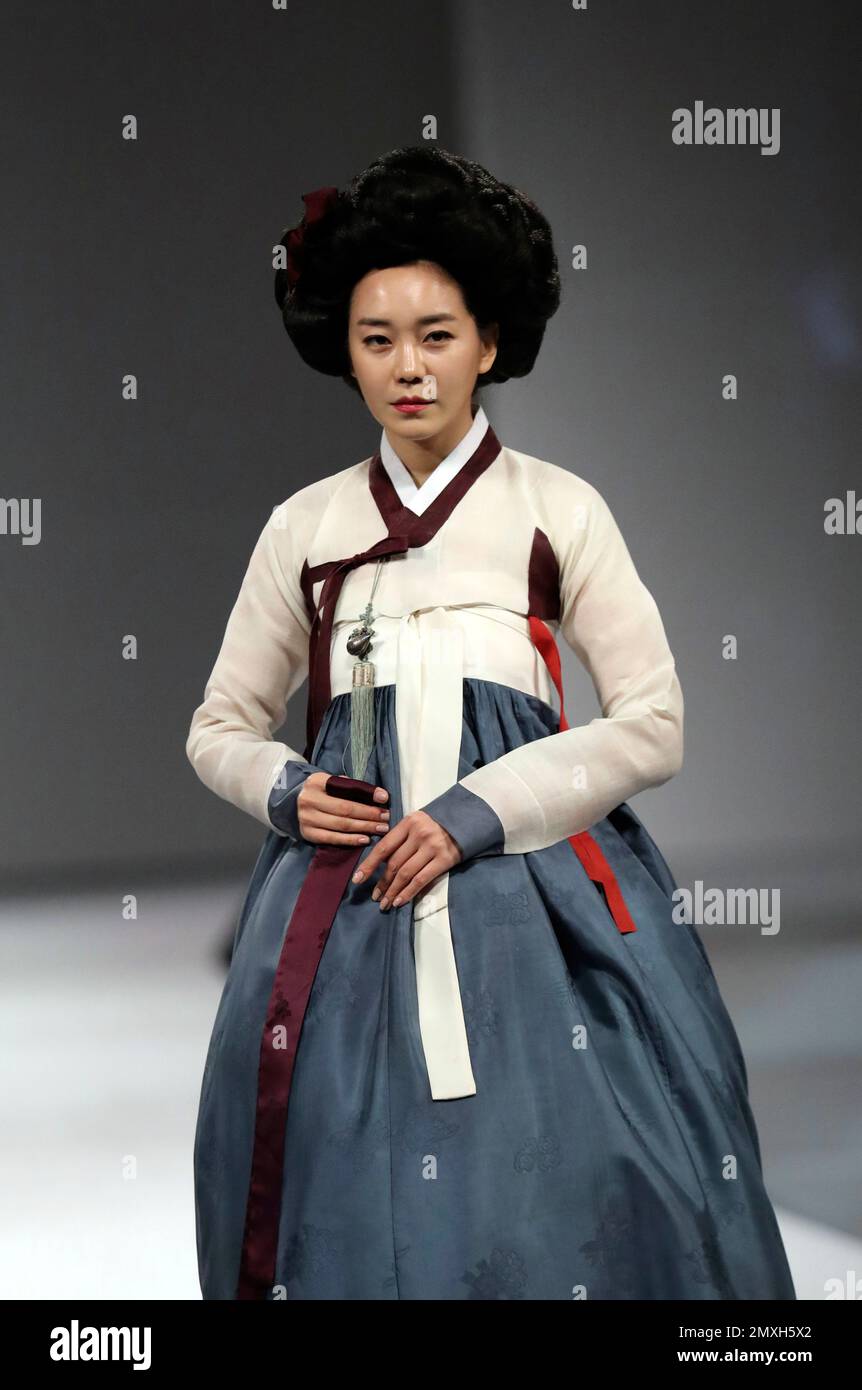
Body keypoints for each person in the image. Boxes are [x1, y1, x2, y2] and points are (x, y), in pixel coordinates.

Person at [185, 144, 796, 1301]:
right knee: (327, 1178)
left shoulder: (557, 508)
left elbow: (654, 722)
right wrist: (282, 790)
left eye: (436, 334)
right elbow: (218, 723)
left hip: (543, 906)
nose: (407, 368)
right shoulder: (303, 529)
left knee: (606, 1174)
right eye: (377, 340)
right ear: (343, 352)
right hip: (343, 910)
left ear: (490, 342)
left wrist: (477, 808)